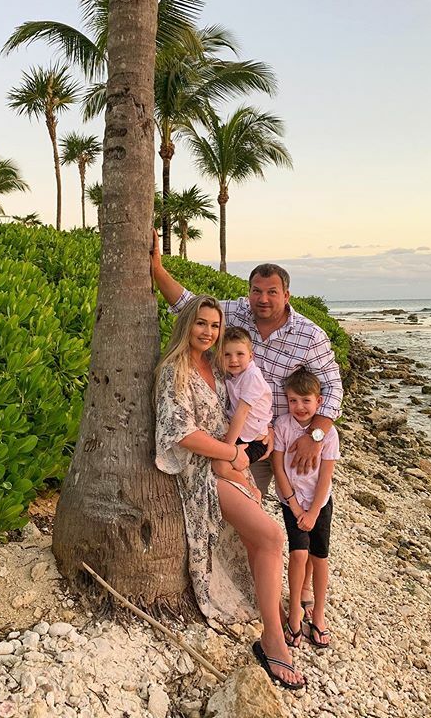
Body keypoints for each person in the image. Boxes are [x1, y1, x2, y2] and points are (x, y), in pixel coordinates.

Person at [151, 231, 343, 618]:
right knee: (255, 519)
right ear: (249, 292)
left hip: (282, 442)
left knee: (298, 512)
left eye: (272, 292)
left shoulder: (309, 334)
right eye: (257, 290)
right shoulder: (234, 315)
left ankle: (302, 589)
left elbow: (333, 390)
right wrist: (156, 268)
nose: (263, 299)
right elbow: (188, 306)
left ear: (286, 294)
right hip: (235, 441)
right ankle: (252, 587)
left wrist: (316, 438)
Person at [155, 294, 306, 689]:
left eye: (215, 325)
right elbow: (180, 433)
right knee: (273, 535)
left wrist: (264, 433)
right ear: (187, 324)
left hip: (226, 462)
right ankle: (273, 637)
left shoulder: (216, 367)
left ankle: (273, 617)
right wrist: (232, 456)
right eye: (201, 323)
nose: (208, 332)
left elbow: (244, 408)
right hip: (198, 472)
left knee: (263, 538)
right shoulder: (175, 370)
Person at [272, 368, 340, 650]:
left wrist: (312, 512)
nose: (299, 407)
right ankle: (295, 614)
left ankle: (320, 613)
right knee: (298, 554)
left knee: (319, 557)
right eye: (293, 401)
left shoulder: (328, 433)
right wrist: (295, 505)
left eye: (306, 401)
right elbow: (278, 466)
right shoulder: (283, 426)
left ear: (319, 401)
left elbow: (326, 476)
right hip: (292, 502)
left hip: (319, 504)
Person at [211, 327, 273, 503]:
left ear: (251, 356)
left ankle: (252, 491)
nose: (234, 360)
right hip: (242, 435)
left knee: (220, 465)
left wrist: (228, 448)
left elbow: (241, 414)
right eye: (227, 355)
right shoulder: (234, 375)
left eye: (240, 354)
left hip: (255, 441)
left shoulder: (252, 376)